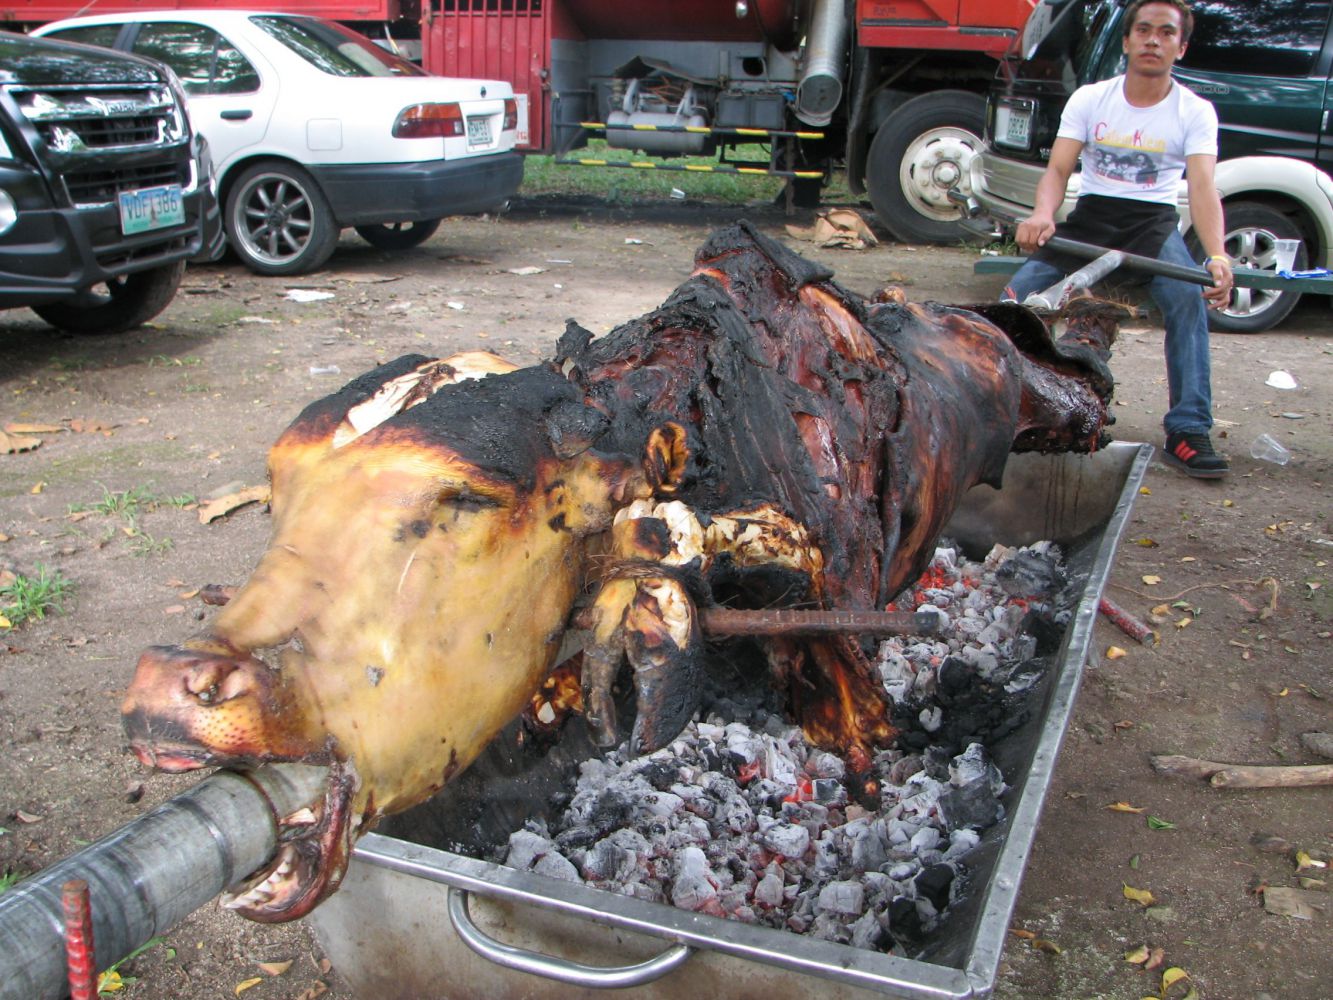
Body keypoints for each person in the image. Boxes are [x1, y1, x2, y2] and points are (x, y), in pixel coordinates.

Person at [1002, 0, 1232, 479]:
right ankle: (997, 409)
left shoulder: (1195, 111)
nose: (1153, 40)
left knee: (1188, 301)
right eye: (1143, 30)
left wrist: (1217, 255)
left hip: (1152, 225)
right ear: (1126, 41)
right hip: (1091, 220)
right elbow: (1058, 170)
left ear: (1181, 47)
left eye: (1166, 33)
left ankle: (1188, 429)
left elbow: (1203, 188)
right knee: (1014, 300)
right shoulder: (1091, 99)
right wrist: (1042, 215)